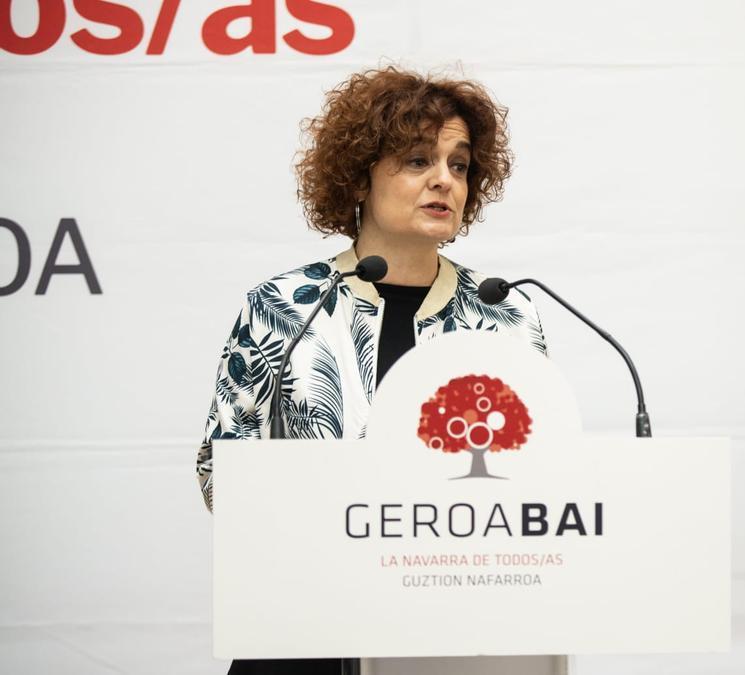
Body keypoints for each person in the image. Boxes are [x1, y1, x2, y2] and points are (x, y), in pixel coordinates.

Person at [195, 67, 547, 675]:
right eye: (417, 160)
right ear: (359, 177)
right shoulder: (287, 307)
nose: (444, 180)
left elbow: (539, 471)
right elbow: (219, 472)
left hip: (454, 632)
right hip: (304, 628)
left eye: (459, 165)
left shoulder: (505, 313)